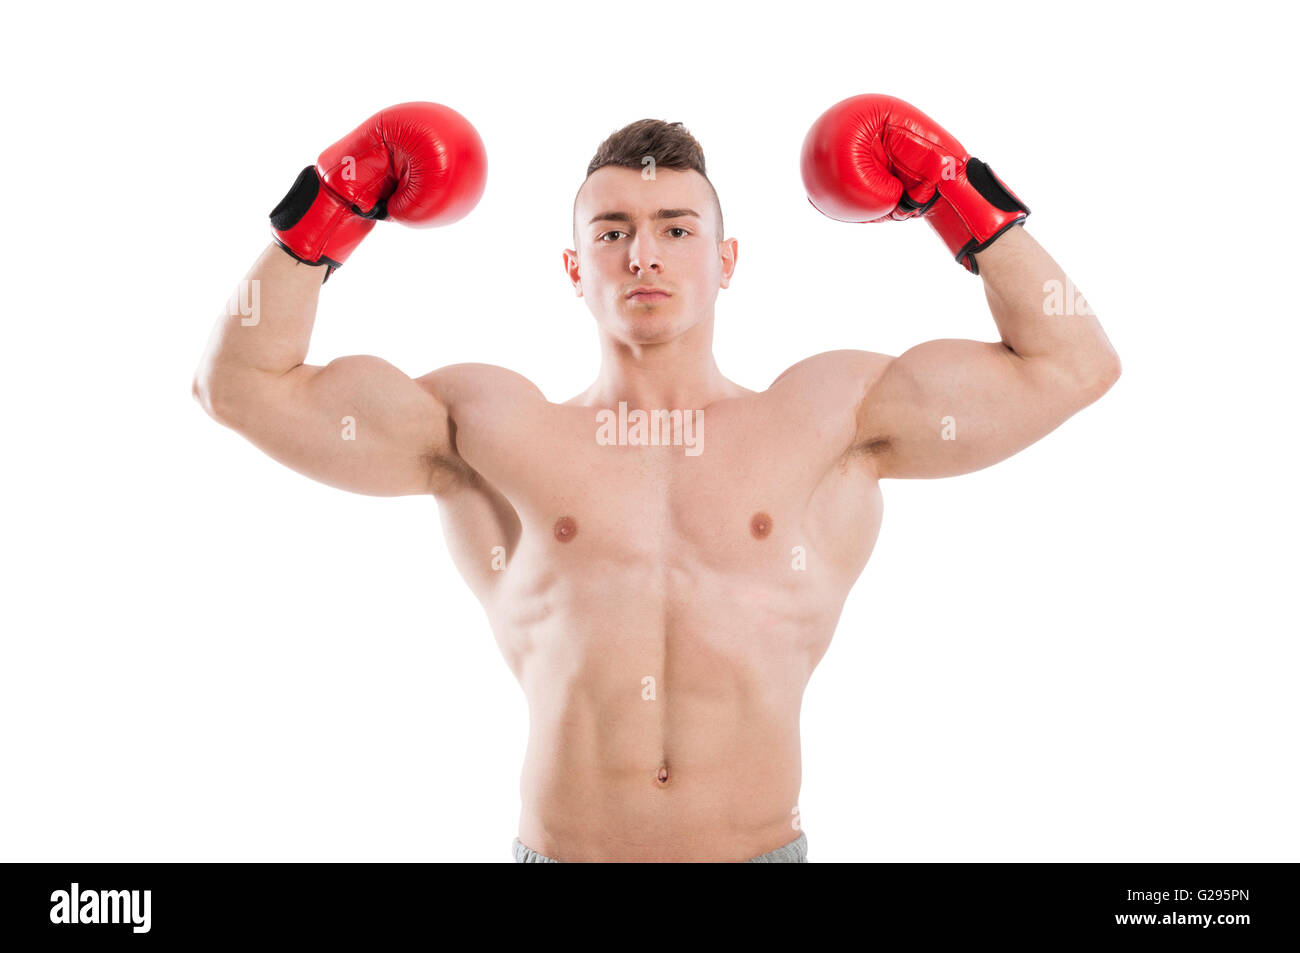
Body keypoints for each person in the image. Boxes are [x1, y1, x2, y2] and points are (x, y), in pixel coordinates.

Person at [192, 95, 1120, 863]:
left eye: (677, 229)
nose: (643, 254)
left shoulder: (829, 415)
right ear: (574, 269)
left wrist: (956, 189)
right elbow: (237, 387)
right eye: (613, 232)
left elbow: (1074, 365)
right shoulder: (492, 426)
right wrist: (333, 202)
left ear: (725, 262)